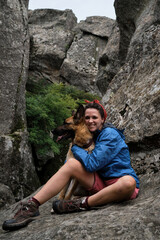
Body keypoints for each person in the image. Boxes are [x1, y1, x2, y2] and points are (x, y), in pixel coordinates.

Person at [2, 100, 139, 231]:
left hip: (119, 187)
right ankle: (31, 206)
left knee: (128, 182)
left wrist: (74, 147)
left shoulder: (110, 134)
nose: (90, 121)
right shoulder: (93, 134)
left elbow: (92, 164)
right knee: (72, 164)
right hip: (101, 184)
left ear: (102, 119)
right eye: (87, 117)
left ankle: (80, 204)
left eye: (94, 117)